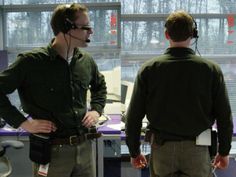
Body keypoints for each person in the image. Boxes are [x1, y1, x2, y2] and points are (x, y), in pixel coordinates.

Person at [0, 3, 107, 177]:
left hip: (85, 149)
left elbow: (99, 86)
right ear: (66, 28)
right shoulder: (31, 62)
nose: (91, 32)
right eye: (85, 27)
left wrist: (96, 110)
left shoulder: (86, 61)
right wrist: (24, 123)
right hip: (52, 151)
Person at [125, 10, 233, 177]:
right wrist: (224, 151)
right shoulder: (211, 70)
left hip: (162, 150)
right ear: (193, 34)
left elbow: (134, 116)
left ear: (166, 34)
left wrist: (134, 152)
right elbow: (224, 116)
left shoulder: (148, 69)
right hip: (198, 150)